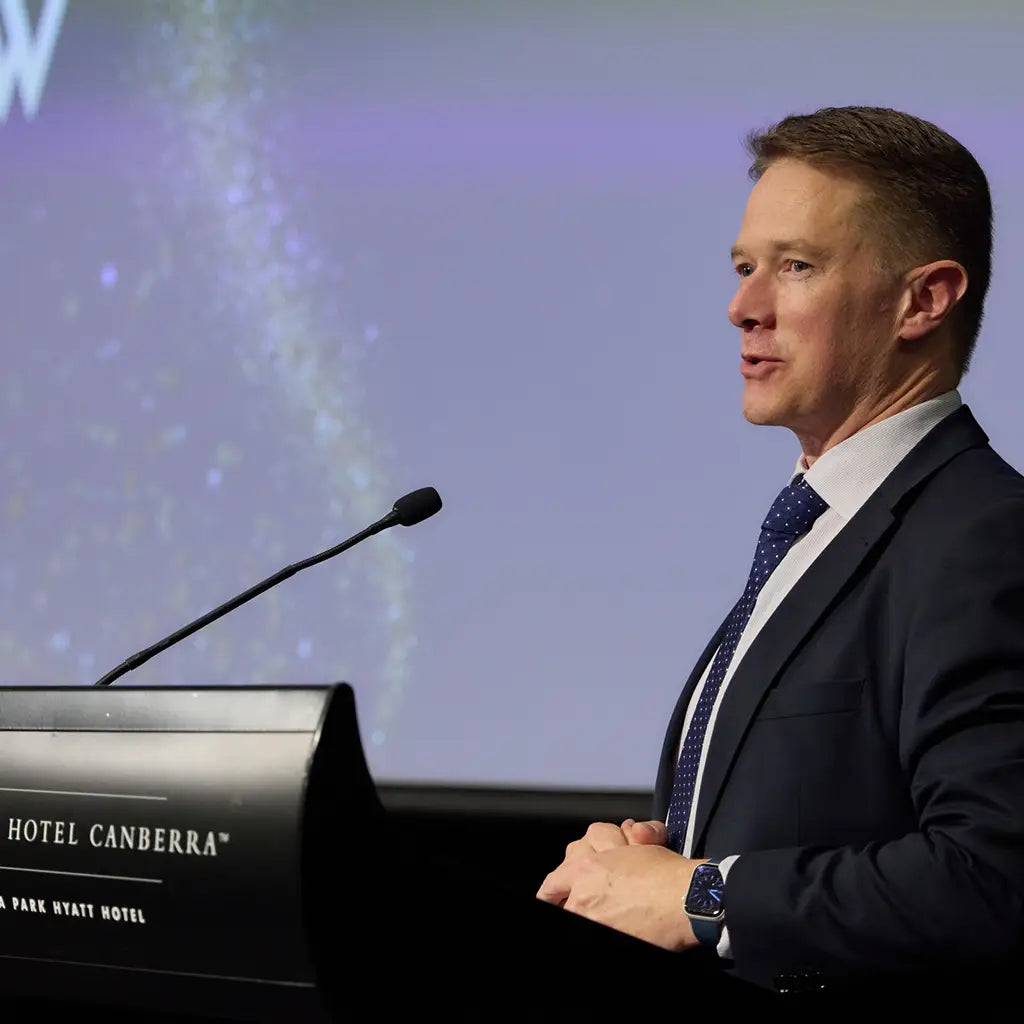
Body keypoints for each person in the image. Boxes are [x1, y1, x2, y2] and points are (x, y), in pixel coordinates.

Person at [536, 106, 1024, 1000]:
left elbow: (994, 875)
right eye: (744, 266)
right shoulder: (821, 522)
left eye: (795, 267)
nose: (742, 307)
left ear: (925, 298)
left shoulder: (984, 536)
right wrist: (647, 867)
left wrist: (706, 897)